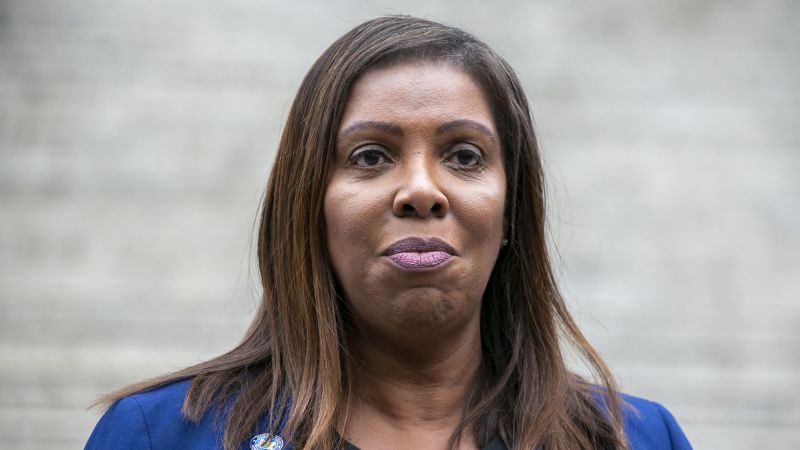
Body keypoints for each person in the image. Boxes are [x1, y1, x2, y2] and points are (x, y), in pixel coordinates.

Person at [85, 15, 692, 450]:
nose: (421, 191)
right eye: (370, 156)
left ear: (511, 211)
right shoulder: (159, 434)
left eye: (465, 156)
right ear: (308, 204)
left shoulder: (634, 438)